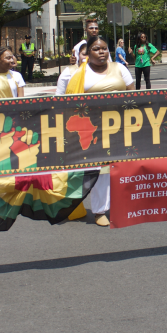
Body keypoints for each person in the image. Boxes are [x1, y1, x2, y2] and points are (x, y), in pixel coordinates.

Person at [56, 36, 134, 226]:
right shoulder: (75, 75)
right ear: (87, 53)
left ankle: (105, 209)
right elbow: (60, 102)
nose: (101, 52)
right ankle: (84, 206)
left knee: (111, 169)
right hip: (87, 130)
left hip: (117, 128)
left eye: (105, 48)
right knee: (90, 169)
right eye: (96, 49)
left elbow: (133, 96)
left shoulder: (120, 68)